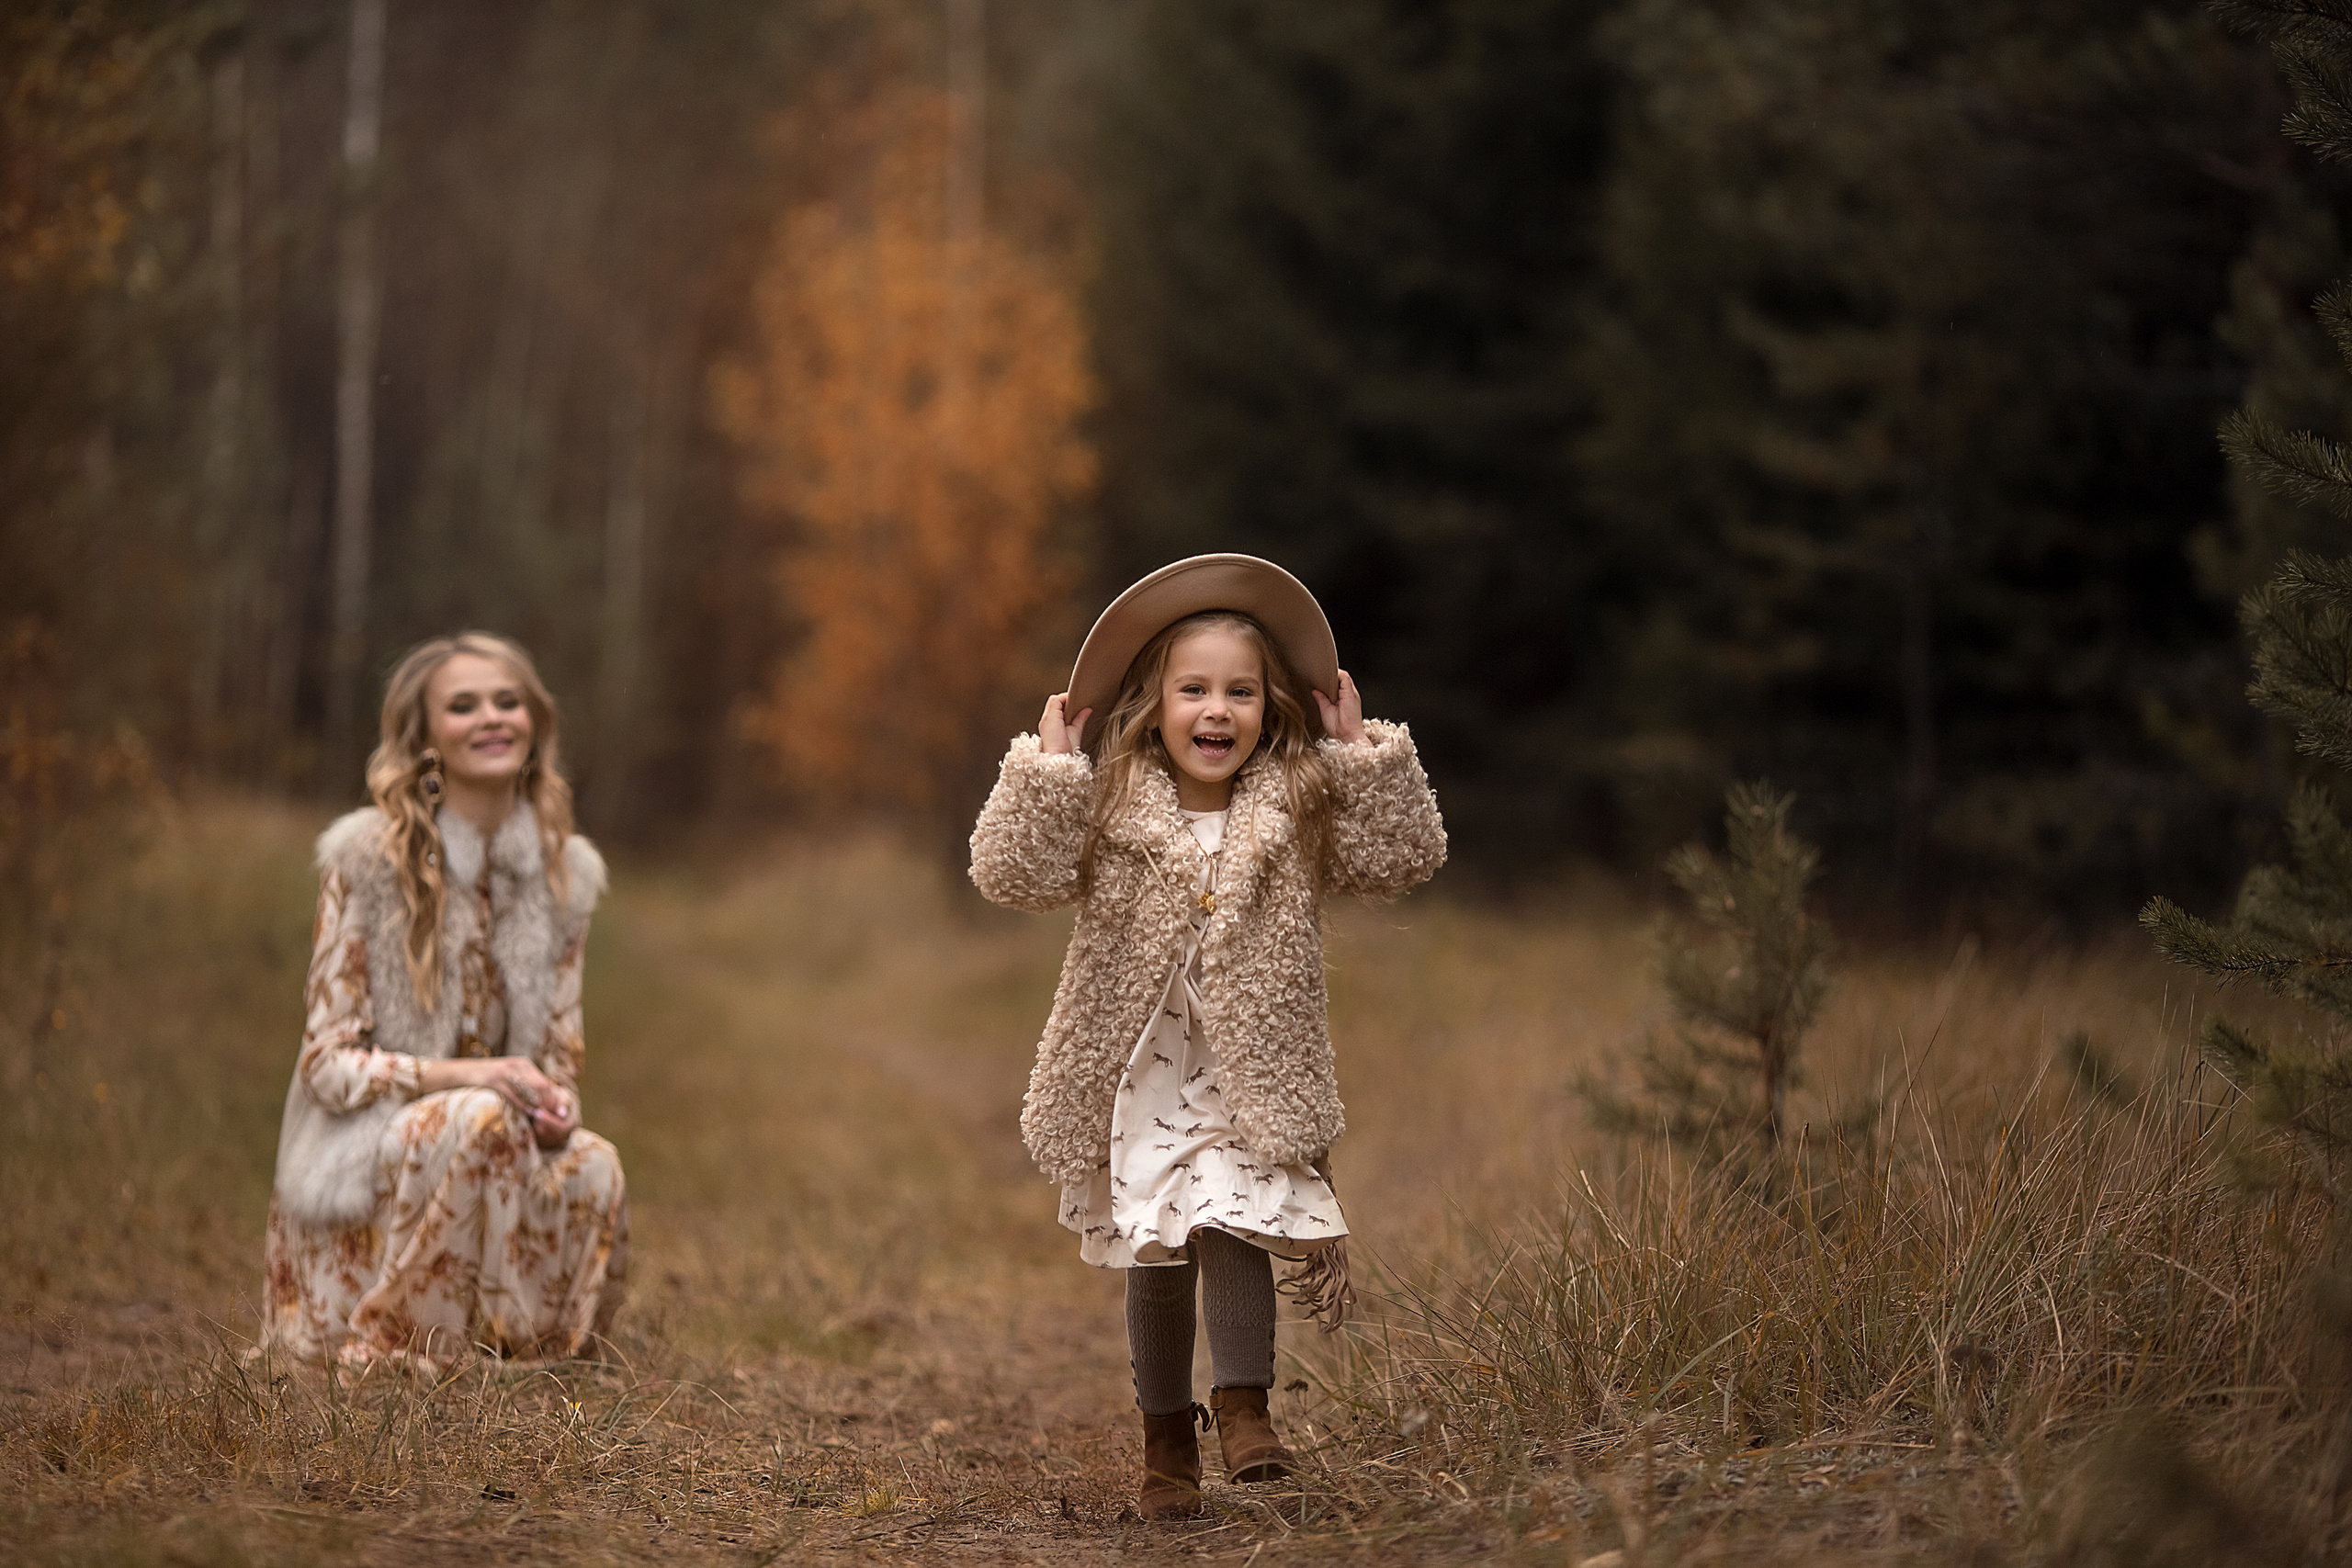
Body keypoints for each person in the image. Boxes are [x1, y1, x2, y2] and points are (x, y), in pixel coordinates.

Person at [968, 555, 1447, 1519]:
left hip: (1246, 1073)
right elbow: (1011, 875)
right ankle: (1165, 1443)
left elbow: (1404, 856)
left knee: (1233, 1221)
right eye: (1194, 689)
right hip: (1137, 1077)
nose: (1217, 710)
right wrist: (1049, 770)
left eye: (1241, 691)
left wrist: (1360, 755)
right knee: (1158, 1248)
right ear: (1156, 704)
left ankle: (1244, 1410)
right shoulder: (1111, 808)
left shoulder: (1292, 807)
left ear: (1270, 709)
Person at [258, 632, 628, 1375]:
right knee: (480, 1114)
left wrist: (556, 1107)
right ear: (425, 736)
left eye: (507, 700)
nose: (491, 717)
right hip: (365, 1148)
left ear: (533, 721)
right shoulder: (368, 858)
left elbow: (557, 1055)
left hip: (491, 1138)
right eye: (463, 705)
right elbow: (326, 1066)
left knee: (595, 1161)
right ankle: (388, 1352)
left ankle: (522, 1358)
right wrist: (470, 1077)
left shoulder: (566, 874)